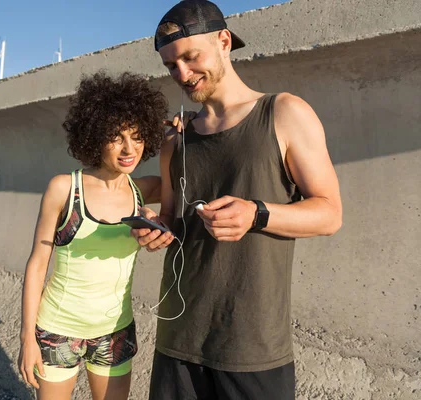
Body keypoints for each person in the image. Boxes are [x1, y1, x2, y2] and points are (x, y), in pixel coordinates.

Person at [133, 1, 343, 399]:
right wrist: (155, 229)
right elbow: (174, 222)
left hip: (252, 347)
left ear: (224, 41)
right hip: (178, 339)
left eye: (191, 57)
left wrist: (257, 213)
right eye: (170, 66)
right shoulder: (175, 140)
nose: (182, 74)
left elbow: (330, 213)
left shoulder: (283, 113)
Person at [17, 71, 168, 400]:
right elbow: (37, 263)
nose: (129, 148)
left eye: (138, 136)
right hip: (58, 330)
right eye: (116, 137)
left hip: (115, 333)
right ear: (94, 135)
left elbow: (182, 179)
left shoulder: (144, 190)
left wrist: (178, 135)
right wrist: (27, 338)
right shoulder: (64, 189)